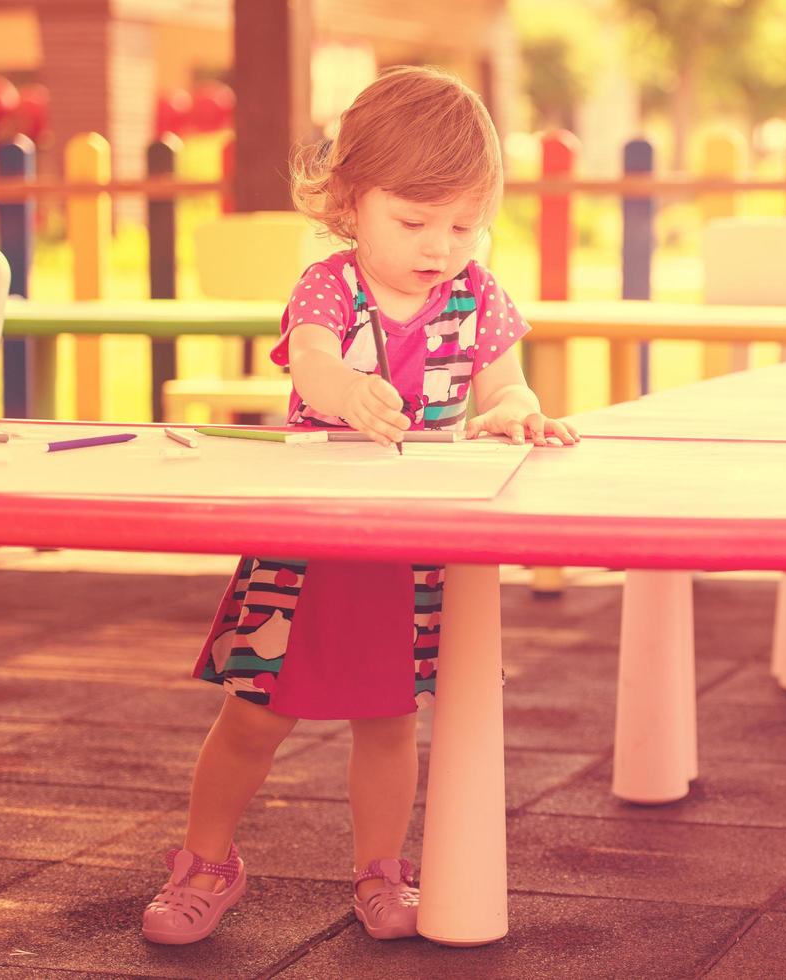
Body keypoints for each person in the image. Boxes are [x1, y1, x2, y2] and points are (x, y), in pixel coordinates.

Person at [142, 65, 579, 945]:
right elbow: (310, 361)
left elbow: (506, 384)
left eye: (463, 225)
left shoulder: (477, 298)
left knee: (389, 721)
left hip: (411, 548)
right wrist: (344, 388)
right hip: (311, 544)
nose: (439, 245)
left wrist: (514, 411)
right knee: (256, 715)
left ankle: (382, 871)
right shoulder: (331, 289)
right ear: (347, 202)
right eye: (413, 221)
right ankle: (206, 861)